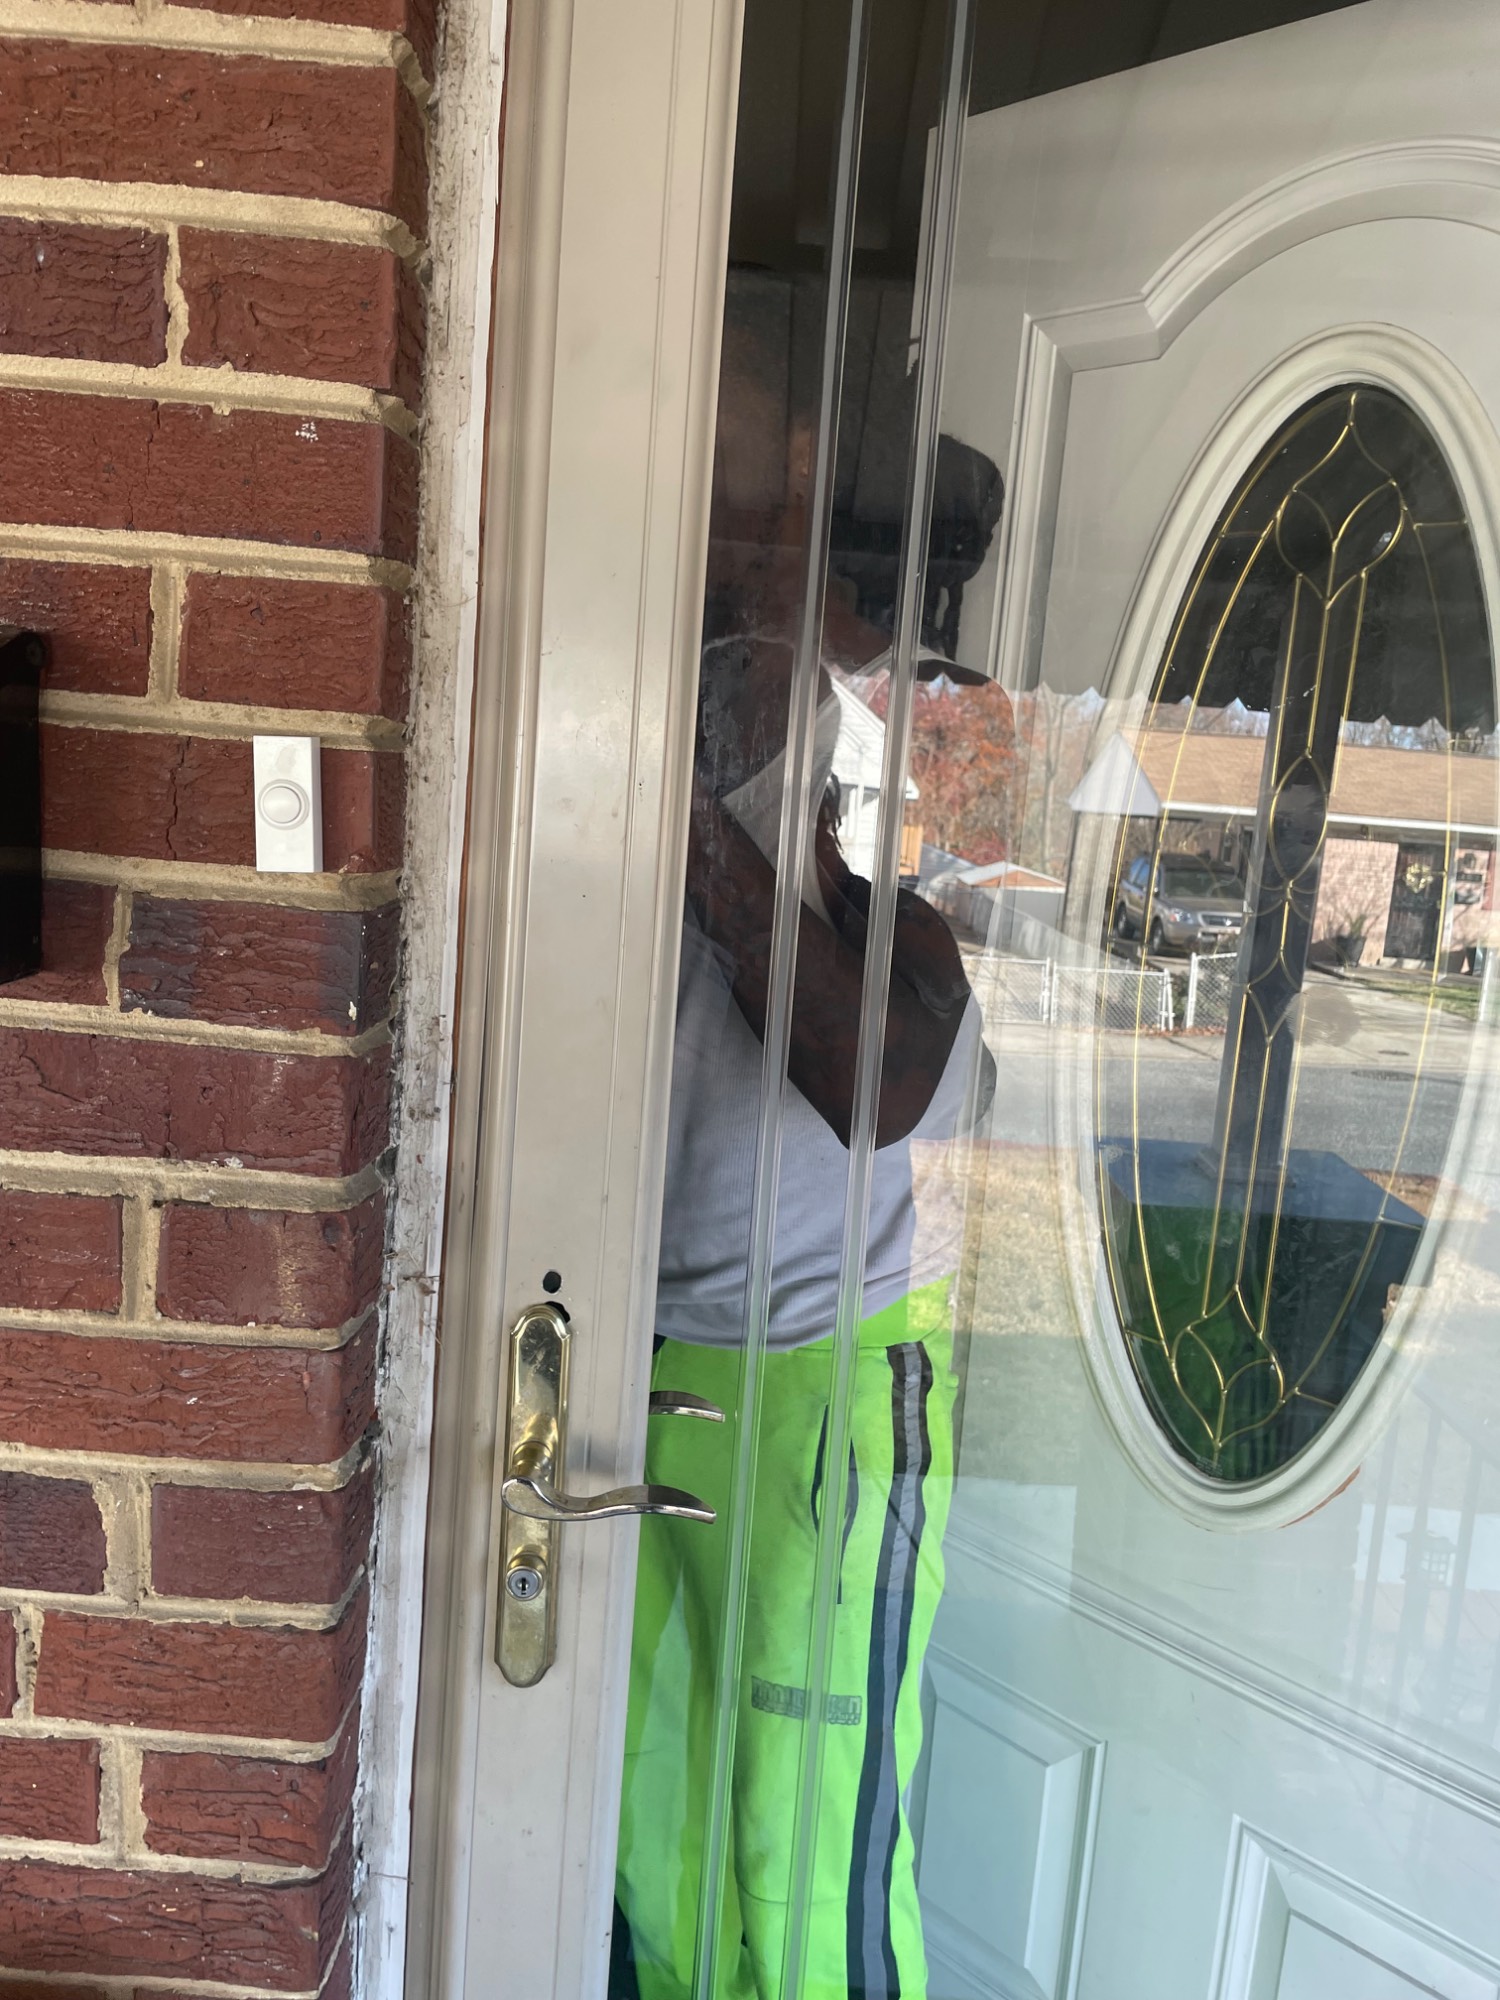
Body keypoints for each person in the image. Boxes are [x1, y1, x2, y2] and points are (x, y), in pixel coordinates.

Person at [612, 364, 1003, 2000]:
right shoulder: (673, 714)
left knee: (807, 1850)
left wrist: (686, 821)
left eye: (760, 520)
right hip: (642, 1378)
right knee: (657, 1834)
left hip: (827, 1384)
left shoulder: (904, 763)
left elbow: (875, 1085)